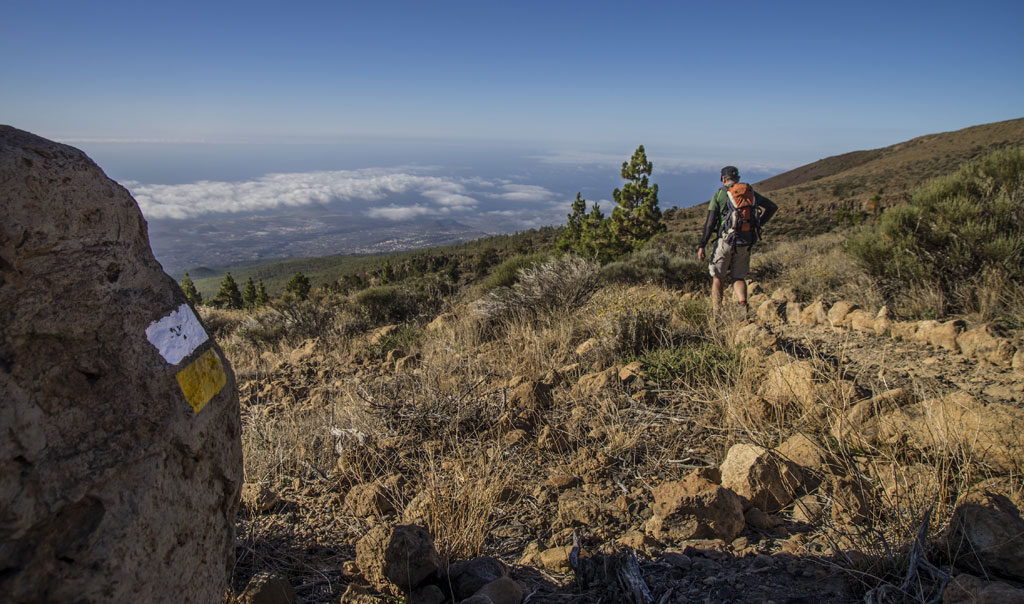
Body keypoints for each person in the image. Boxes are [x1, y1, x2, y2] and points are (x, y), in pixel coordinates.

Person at [697, 166, 778, 312]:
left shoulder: (720, 194)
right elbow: (772, 207)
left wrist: (702, 244)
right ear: (738, 179)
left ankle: (717, 312)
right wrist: (756, 225)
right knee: (738, 277)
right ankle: (742, 306)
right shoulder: (749, 193)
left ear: (723, 179)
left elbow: (709, 223)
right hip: (745, 240)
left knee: (718, 278)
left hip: (725, 240)